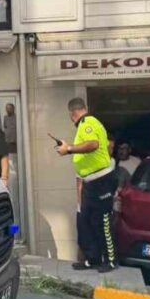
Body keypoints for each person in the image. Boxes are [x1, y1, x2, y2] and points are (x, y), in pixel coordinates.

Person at [57, 97, 117, 273]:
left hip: (101, 180)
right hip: (90, 182)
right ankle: (93, 259)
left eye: (70, 115)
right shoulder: (85, 125)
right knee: (86, 221)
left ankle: (111, 260)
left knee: (103, 221)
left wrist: (68, 149)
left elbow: (93, 144)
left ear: (72, 113)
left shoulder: (88, 122)